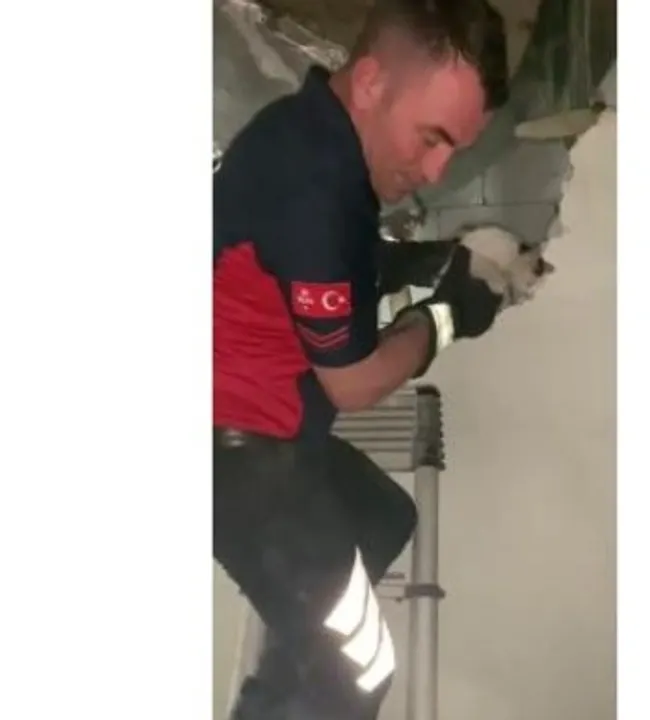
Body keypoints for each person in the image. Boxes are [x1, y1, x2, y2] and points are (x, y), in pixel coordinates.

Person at [212, 1, 511, 718]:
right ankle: (303, 675)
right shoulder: (316, 182)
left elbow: (341, 264)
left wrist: (439, 260)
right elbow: (352, 383)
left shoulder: (320, 146)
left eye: (454, 150)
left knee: (382, 517)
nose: (436, 171)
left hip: (271, 436)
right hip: (235, 457)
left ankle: (284, 684)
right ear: (372, 82)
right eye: (432, 138)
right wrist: (449, 315)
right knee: (361, 665)